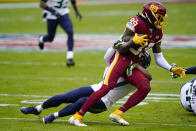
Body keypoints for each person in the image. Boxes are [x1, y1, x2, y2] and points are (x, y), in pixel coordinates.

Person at [69, 1, 186, 126]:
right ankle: (78, 116)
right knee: (106, 87)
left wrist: (171, 68)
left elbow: (158, 56)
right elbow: (120, 44)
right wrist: (132, 40)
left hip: (133, 63)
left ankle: (118, 113)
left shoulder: (158, 32)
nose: (161, 20)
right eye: (159, 17)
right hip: (121, 58)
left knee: (145, 87)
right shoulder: (137, 22)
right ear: (151, 15)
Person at [20, 52, 152, 125]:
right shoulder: (123, 63)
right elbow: (107, 57)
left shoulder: (138, 77)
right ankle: (37, 109)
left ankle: (54, 116)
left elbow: (149, 77)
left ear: (141, 63)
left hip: (104, 102)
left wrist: (137, 67)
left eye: (137, 60)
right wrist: (116, 46)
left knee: (81, 101)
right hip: (97, 88)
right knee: (66, 96)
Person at [39, 0, 82, 66]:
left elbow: (72, 1)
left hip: (64, 14)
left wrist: (76, 11)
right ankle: (41, 39)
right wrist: (53, 11)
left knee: (70, 32)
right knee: (50, 37)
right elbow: (41, 3)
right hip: (52, 15)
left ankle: (70, 58)